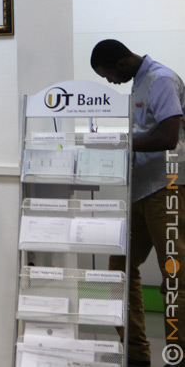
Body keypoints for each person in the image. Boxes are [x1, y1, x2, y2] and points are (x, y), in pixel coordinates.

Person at [91, 39, 184, 367]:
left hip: (168, 190)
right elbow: (145, 131)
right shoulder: (139, 83)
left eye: (108, 76)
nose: (110, 83)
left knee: (175, 277)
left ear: (121, 64)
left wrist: (121, 144)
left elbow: (169, 137)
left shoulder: (160, 80)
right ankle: (136, 355)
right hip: (141, 192)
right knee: (119, 273)